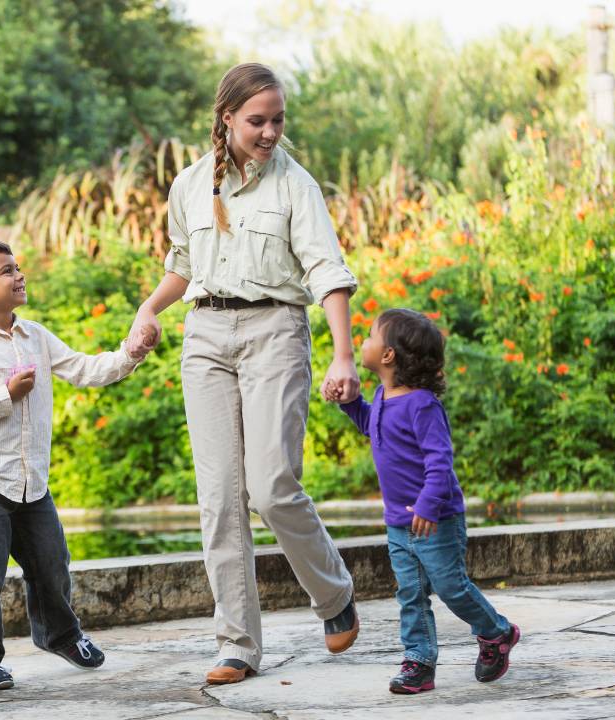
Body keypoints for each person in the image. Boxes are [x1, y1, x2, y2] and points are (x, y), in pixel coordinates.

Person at [127, 62, 361, 685]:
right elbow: (182, 265)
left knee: (273, 486)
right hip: (204, 336)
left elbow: (327, 271)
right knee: (220, 500)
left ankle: (333, 594)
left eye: (277, 119)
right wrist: (149, 311)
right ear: (227, 118)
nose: (269, 132)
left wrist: (343, 354)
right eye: (257, 120)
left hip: (274, 332)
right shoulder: (189, 185)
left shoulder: (295, 185)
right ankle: (237, 643)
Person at [0, 240, 151, 690]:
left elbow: (86, 369)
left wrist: (132, 351)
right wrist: (4, 397)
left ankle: (60, 635)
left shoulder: (36, 335)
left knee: (52, 565)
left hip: (31, 481)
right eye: (7, 271)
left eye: (18, 268)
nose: (20, 276)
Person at [333, 308, 519, 694]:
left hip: (435, 519)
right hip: (399, 522)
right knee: (410, 592)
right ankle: (419, 660)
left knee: (451, 586)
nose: (362, 342)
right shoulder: (385, 395)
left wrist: (428, 505)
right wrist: (350, 404)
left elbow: (440, 461)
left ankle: (497, 632)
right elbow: (373, 426)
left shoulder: (422, 405)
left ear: (388, 355)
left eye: (369, 336)